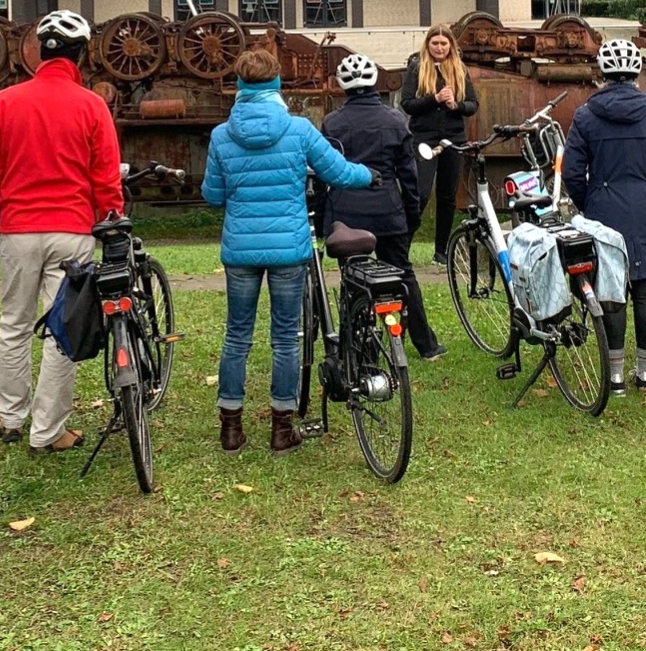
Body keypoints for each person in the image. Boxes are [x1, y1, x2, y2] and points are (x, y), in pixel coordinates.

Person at [202, 47, 377, 455]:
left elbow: (212, 195)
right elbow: (337, 171)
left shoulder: (221, 135)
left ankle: (231, 427)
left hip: (241, 251)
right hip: (288, 249)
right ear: (277, 82)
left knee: (237, 336)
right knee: (285, 338)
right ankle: (282, 428)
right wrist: (369, 175)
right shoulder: (298, 129)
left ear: (240, 86)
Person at [0, 10, 122, 456]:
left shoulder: (6, 102)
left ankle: (10, 417)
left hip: (17, 228)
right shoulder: (91, 105)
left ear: (39, 50)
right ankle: (48, 431)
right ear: (82, 53)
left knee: (13, 323)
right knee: (63, 329)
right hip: (71, 229)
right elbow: (105, 176)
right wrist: (112, 222)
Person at [562, 38, 646, 396]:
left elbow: (573, 173)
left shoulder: (586, 116)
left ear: (602, 73)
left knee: (611, 291)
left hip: (603, 211)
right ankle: (645, 373)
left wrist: (591, 202)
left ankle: (614, 376)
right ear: (636, 73)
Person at [319, 53, 446, 361]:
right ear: (375, 81)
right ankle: (426, 345)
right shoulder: (396, 121)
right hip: (387, 212)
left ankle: (360, 350)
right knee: (403, 275)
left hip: (346, 216)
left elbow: (325, 174)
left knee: (352, 280)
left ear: (342, 85)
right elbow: (409, 175)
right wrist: (411, 214)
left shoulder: (332, 123)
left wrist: (322, 216)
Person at [402, 24, 480, 267]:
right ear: (428, 45)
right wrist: (432, 99)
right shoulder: (417, 68)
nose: (439, 48)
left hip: (453, 138)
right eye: (435, 43)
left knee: (447, 196)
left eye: (443, 44)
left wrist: (455, 105)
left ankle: (441, 251)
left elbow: (473, 104)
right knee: (420, 193)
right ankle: (403, 248)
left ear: (450, 46)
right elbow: (407, 103)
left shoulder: (460, 69)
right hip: (424, 138)